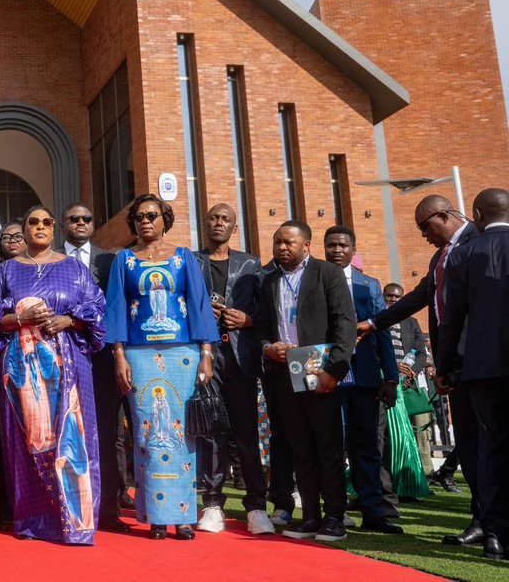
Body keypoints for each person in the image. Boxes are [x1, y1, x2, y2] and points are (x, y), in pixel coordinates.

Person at [358, 195, 481, 546]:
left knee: (491, 445)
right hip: (455, 368)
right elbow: (418, 298)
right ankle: (482, 519)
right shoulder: (439, 257)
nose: (422, 236)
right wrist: (374, 322)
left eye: (424, 227)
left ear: (442, 216)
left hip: (483, 362)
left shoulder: (480, 241)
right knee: (469, 447)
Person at [0, 205, 105, 544]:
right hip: (20, 371)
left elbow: (96, 312)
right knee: (26, 441)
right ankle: (32, 521)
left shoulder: (75, 268)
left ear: (54, 229)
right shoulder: (6, 271)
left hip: (69, 366)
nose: (39, 227)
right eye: (32, 221)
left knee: (73, 437)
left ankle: (75, 522)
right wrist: (22, 319)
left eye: (46, 222)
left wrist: (68, 320)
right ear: (23, 229)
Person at [105, 194, 217, 540]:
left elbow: (199, 305)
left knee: (182, 432)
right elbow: (117, 308)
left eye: (152, 215)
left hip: (182, 353)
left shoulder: (184, 258)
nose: (146, 221)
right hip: (138, 353)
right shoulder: (123, 260)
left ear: (165, 219)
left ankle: (183, 516)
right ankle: (154, 514)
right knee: (148, 431)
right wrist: (118, 354)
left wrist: (207, 353)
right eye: (139, 216)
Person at [254, 220, 355, 543]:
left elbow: (345, 324)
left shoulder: (328, 274)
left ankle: (335, 517)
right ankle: (310, 515)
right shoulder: (269, 280)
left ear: (307, 245)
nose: (282, 248)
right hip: (284, 370)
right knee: (300, 447)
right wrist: (268, 347)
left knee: (327, 445)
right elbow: (261, 328)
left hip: (319, 366)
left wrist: (334, 370)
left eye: (289, 242)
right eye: (277, 242)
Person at [192, 203, 273, 535]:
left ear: (233, 227)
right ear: (205, 222)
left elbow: (269, 311)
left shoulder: (251, 264)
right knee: (211, 433)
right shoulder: (190, 262)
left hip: (241, 357)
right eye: (213, 217)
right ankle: (212, 504)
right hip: (205, 357)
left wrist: (248, 319)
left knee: (246, 434)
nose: (218, 223)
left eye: (225, 219)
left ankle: (256, 506)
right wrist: (198, 316)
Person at [437, 188, 509, 562]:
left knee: (492, 448)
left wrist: (445, 366)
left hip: (481, 367)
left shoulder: (463, 255)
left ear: (477, 215)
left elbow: (451, 320)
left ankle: (495, 533)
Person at [322, 226, 403, 534]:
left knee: (367, 447)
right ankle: (336, 512)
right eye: (331, 245)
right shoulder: (314, 281)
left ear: (353, 250)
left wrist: (391, 378)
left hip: (366, 379)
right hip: (331, 377)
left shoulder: (370, 286)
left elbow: (381, 332)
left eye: (343, 245)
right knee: (333, 446)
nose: (337, 250)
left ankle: (374, 513)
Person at [60, 202, 130, 529]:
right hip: (60, 355)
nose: (81, 223)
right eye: (74, 219)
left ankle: (109, 509)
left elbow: (118, 307)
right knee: (63, 429)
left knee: (106, 431)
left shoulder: (110, 260)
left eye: (86, 218)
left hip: (101, 358)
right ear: (64, 225)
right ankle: (63, 505)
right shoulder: (53, 260)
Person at [383, 282, 433, 489]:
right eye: (390, 296)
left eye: (398, 297)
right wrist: (394, 367)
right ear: (383, 296)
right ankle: (391, 481)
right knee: (390, 436)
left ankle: (424, 478)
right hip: (386, 385)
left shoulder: (411, 322)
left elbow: (422, 353)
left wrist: (411, 372)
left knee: (420, 433)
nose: (394, 299)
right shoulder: (378, 321)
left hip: (411, 387)